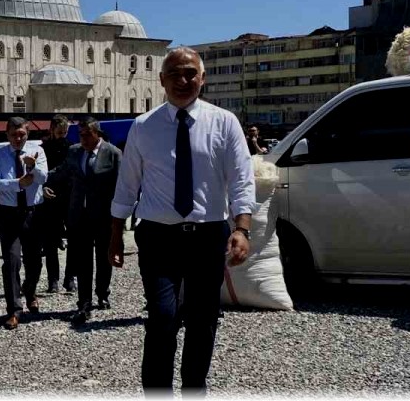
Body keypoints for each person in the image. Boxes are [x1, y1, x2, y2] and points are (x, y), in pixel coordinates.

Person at [109, 47, 254, 393]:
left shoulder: (224, 123)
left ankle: (194, 390)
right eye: (174, 73)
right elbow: (127, 185)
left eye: (190, 73)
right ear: (162, 80)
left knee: (203, 320)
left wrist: (242, 228)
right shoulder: (143, 127)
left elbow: (241, 179)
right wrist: (115, 235)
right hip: (159, 237)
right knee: (162, 316)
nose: (183, 80)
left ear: (203, 79)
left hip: (208, 236)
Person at [0, 116, 49, 330]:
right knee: (11, 261)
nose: (17, 138)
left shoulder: (37, 151)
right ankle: (14, 309)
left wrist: (33, 167)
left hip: (33, 213)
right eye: (13, 134)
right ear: (7, 134)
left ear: (27, 133)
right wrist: (17, 184)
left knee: (34, 261)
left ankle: (30, 290)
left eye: (21, 134)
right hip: (8, 214)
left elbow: (43, 178)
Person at [62, 116, 122, 324]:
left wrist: (120, 216)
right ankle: (84, 302)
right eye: (81, 135)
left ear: (97, 133)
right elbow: (62, 173)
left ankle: (102, 293)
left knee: (104, 257)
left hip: (104, 216)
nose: (84, 139)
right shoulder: (74, 152)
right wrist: (39, 177)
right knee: (83, 260)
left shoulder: (113, 153)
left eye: (88, 134)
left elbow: (121, 186)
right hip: (80, 216)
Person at [39, 114, 73, 294]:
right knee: (50, 242)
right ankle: (53, 279)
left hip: (69, 198)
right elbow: (38, 174)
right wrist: (43, 187)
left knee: (74, 240)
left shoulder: (72, 148)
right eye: (59, 132)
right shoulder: (42, 150)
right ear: (51, 130)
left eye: (65, 132)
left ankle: (70, 277)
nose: (62, 136)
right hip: (49, 199)